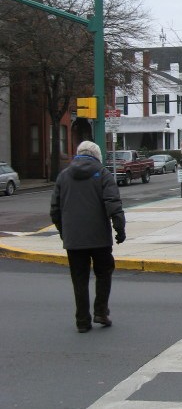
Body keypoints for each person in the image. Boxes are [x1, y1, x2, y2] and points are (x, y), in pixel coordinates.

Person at [50, 141, 126, 333]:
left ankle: (82, 320)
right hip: (99, 237)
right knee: (104, 273)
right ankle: (101, 311)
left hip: (74, 240)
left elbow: (55, 210)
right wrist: (119, 228)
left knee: (79, 279)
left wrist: (63, 232)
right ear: (97, 155)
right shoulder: (103, 174)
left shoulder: (64, 176)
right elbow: (113, 203)